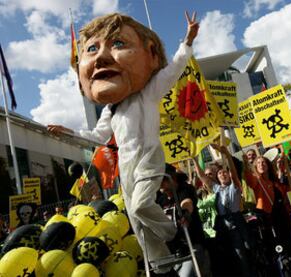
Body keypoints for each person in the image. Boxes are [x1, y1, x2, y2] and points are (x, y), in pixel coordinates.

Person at [47, 11, 199, 269]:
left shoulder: (148, 93)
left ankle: (172, 232)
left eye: (117, 44)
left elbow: (174, 69)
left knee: (141, 206)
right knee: (136, 222)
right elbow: (97, 137)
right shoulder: (111, 109)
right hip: (126, 168)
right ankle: (161, 264)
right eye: (92, 48)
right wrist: (68, 132)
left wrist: (188, 40)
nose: (102, 56)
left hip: (148, 156)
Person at [195, 144, 253, 277]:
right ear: (217, 177)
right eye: (220, 173)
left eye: (224, 172)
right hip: (223, 225)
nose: (223, 174)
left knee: (244, 253)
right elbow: (201, 175)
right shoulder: (216, 189)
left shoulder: (235, 186)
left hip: (237, 222)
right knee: (231, 256)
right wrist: (193, 159)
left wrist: (226, 154)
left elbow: (233, 172)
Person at [157, 164, 211, 277]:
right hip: (173, 251)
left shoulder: (185, 189)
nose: (160, 183)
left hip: (192, 246)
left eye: (163, 179)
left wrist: (185, 213)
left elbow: (187, 202)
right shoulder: (161, 199)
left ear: (173, 178)